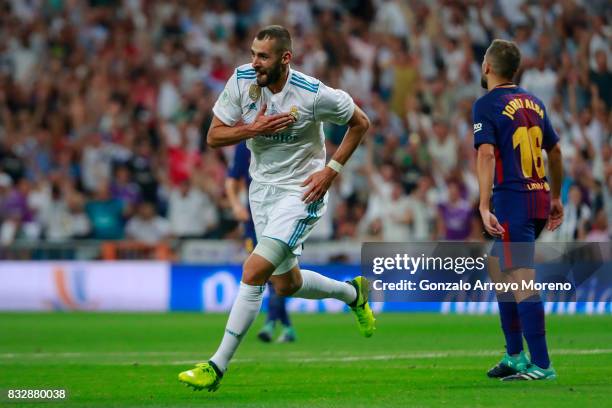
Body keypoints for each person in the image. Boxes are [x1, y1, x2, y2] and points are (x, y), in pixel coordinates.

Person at [178, 25, 374, 392]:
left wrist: (330, 172)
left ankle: (215, 365)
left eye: (263, 56)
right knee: (286, 284)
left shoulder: (314, 94)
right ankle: (354, 294)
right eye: (253, 53)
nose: (255, 62)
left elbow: (360, 123)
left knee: (253, 270)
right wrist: (254, 128)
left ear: (286, 58)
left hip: (302, 192)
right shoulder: (241, 81)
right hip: (261, 192)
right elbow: (213, 135)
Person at [474, 39, 564, 381]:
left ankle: (542, 364)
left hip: (514, 201)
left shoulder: (486, 105)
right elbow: (554, 152)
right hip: (539, 198)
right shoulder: (535, 103)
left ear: (487, 67)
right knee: (499, 269)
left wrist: (484, 206)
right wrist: (556, 197)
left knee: (522, 280)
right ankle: (514, 355)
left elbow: (484, 154)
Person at [226, 140, 297, 343]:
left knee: (276, 273)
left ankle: (271, 322)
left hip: (282, 217)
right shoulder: (244, 144)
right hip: (254, 220)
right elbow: (232, 179)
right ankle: (283, 325)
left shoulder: (285, 136)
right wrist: (235, 205)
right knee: (265, 273)